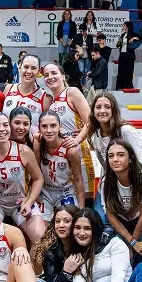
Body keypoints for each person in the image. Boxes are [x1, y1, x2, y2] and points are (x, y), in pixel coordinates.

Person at [0, 112, 47, 245]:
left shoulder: (23, 151)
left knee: (41, 240)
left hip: (19, 202)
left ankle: (30, 265)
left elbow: (38, 179)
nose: (2, 129)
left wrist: (29, 201)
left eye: (5, 125)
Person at [94, 140, 142, 266]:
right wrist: (131, 242)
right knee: (120, 256)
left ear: (131, 158)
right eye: (111, 156)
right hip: (120, 220)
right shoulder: (106, 182)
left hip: (141, 219)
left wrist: (133, 243)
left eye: (121, 155)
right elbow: (111, 216)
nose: (115, 159)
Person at [43, 63, 95, 204]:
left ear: (62, 75)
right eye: (46, 75)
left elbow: (91, 121)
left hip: (78, 152)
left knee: (85, 197)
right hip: (59, 157)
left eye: (54, 73)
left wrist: (77, 139)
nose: (50, 77)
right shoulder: (50, 102)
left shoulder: (71, 92)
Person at [36, 110, 86, 217]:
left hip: (66, 192)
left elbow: (78, 180)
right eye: (44, 126)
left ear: (60, 126)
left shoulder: (70, 150)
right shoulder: (38, 144)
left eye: (53, 126)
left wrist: (81, 211)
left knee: (69, 223)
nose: (49, 130)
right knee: (41, 231)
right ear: (39, 128)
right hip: (45, 192)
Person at [88, 92, 142, 173]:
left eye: (107, 107)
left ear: (114, 110)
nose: (102, 111)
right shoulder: (96, 135)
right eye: (98, 107)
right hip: (111, 183)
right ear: (93, 112)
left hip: (133, 182)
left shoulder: (125, 131)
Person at [3, 53, 50, 133]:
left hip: (31, 144)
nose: (29, 71)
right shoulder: (8, 89)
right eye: (26, 67)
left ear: (39, 71)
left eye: (33, 68)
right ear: (20, 68)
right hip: (7, 143)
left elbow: (48, 126)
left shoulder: (45, 97)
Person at [115, 21, 142, 90]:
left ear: (127, 26)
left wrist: (134, 39)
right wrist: (119, 42)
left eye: (124, 25)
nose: (123, 26)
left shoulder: (132, 34)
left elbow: (141, 38)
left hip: (129, 56)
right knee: (121, 71)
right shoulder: (123, 34)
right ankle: (120, 86)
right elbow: (118, 45)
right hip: (122, 55)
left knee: (129, 72)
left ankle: (129, 86)